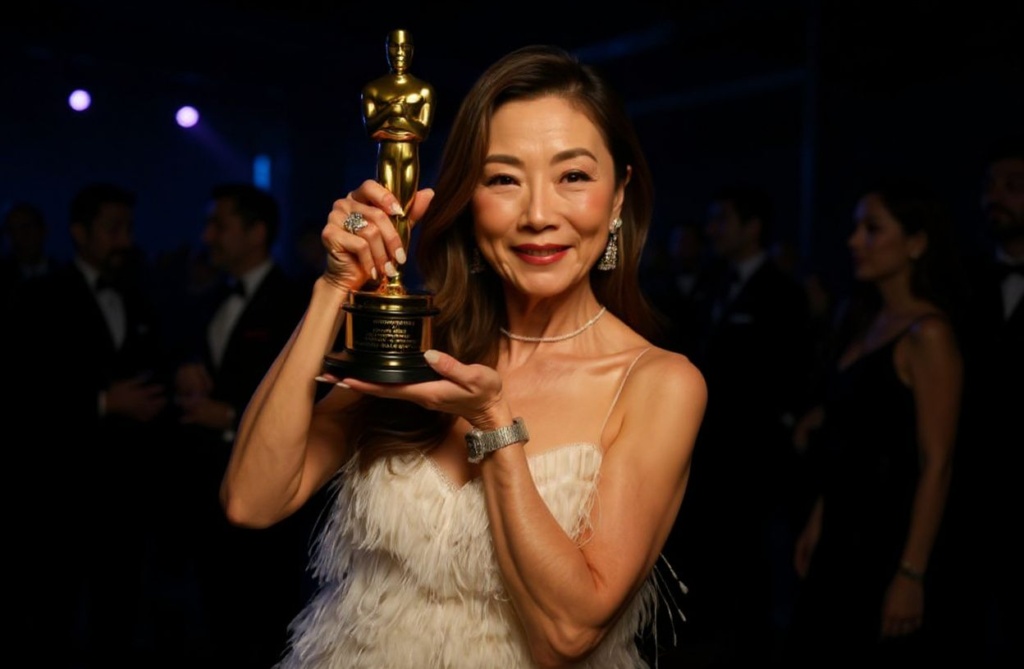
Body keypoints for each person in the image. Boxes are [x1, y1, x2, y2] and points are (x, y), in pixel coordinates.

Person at [221, 45, 707, 668]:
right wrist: (334, 286)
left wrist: (493, 424)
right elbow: (252, 500)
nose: (537, 214)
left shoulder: (658, 383)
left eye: (573, 177)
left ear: (617, 199)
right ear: (469, 200)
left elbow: (567, 637)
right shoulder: (428, 342)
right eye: (503, 178)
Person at [783, 177, 965, 665]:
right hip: (842, 534)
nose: (853, 241)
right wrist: (821, 518)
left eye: (871, 229)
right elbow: (849, 437)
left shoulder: (929, 335)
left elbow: (938, 462)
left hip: (886, 542)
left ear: (916, 243)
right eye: (855, 228)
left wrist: (911, 573)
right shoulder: (865, 322)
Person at [7, 182, 175, 668]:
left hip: (126, 492)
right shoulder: (39, 297)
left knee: (118, 615)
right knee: (50, 615)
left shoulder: (139, 296)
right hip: (58, 491)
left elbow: (153, 368)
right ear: (79, 233)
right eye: (112, 229)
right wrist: (101, 402)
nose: (124, 239)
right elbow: (22, 391)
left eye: (128, 228)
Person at [664, 183, 814, 665]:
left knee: (752, 561)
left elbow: (792, 371)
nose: (712, 230)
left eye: (722, 219)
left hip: (753, 453)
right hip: (704, 446)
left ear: (752, 227)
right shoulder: (711, 283)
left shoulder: (781, 291)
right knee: (706, 553)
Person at [170, 182, 319, 668]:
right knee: (215, 625)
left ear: (257, 233)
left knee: (269, 626)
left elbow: (315, 393)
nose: (208, 235)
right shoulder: (206, 295)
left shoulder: (299, 299)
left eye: (220, 224)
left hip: (275, 507)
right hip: (203, 487)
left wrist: (231, 414)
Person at [954, 138, 1024, 664]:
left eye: (1013, 187)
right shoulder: (964, 281)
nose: (996, 197)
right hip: (969, 488)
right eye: (989, 187)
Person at [361, 27, 435, 292]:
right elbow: (372, 130)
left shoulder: (423, 90)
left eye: (405, 48)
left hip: (408, 155)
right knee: (387, 210)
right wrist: (398, 115)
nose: (400, 53)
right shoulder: (375, 88)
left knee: (401, 211)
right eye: (394, 47)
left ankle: (394, 276)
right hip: (388, 154)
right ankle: (388, 276)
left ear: (412, 51)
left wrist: (393, 118)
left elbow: (422, 132)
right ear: (387, 50)